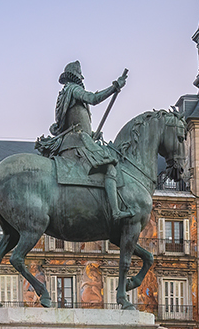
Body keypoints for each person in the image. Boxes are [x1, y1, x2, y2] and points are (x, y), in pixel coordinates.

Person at [36, 61, 135, 219]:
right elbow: (94, 98)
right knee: (110, 168)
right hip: (78, 142)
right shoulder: (74, 90)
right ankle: (115, 211)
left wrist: (92, 134)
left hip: (74, 140)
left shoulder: (65, 94)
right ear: (78, 77)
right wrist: (115, 87)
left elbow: (73, 122)